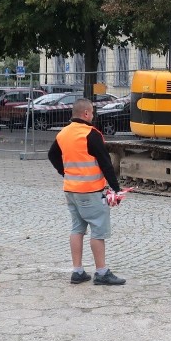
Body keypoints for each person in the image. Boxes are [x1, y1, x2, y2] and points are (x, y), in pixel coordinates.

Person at [48, 98, 126, 286]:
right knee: (98, 230)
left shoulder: (63, 134)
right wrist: (116, 189)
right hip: (90, 190)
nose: (92, 116)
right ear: (85, 114)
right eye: (91, 113)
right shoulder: (91, 134)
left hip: (71, 189)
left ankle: (78, 271)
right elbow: (106, 163)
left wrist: (64, 172)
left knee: (77, 228)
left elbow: (52, 155)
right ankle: (101, 272)